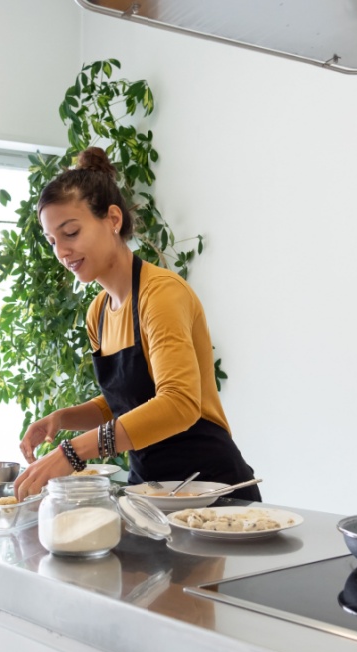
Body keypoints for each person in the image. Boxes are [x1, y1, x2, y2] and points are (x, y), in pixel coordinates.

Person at [13, 147, 261, 503]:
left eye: (70, 232)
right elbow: (127, 399)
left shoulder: (160, 294)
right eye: (53, 241)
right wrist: (63, 417)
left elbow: (178, 403)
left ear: (113, 219)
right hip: (150, 491)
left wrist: (71, 452)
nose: (62, 251)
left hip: (210, 488)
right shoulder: (98, 311)